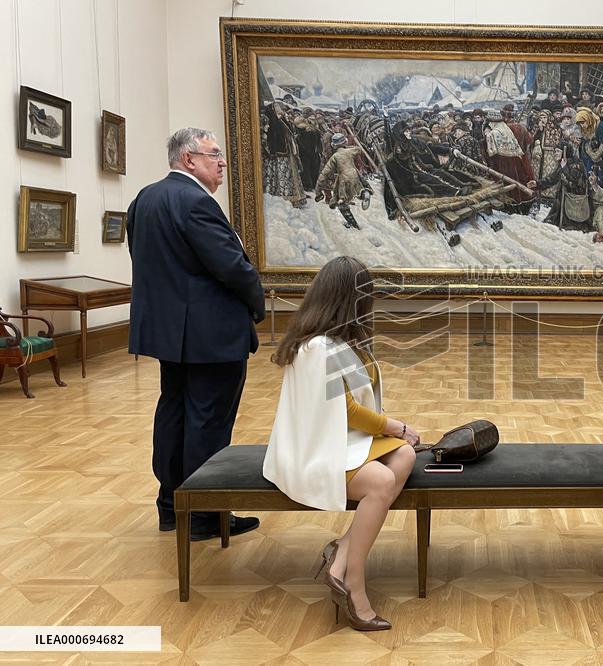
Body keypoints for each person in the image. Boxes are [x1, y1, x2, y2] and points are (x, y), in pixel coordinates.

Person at [264, 257, 419, 631]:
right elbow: (347, 410)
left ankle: (342, 550)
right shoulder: (319, 347)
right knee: (382, 482)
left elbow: (350, 407)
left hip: (334, 441)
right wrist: (395, 426)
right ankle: (354, 583)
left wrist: (396, 434)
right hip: (312, 453)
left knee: (405, 455)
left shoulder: (332, 341)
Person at [127, 127, 266, 541]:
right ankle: (205, 514)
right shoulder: (195, 202)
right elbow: (231, 267)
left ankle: (171, 506)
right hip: (211, 336)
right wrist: (257, 304)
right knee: (208, 422)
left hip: (170, 335)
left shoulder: (144, 199)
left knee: (173, 414)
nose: (221, 162)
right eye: (213, 154)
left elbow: (152, 263)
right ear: (188, 159)